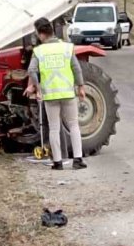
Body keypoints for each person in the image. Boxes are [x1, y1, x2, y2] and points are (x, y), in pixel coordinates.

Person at [24, 17, 88, 170]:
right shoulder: (66, 47)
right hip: (67, 93)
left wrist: (37, 88)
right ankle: (78, 160)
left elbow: (31, 70)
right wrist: (81, 87)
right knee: (73, 125)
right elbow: (76, 68)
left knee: (54, 128)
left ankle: (57, 162)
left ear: (41, 34)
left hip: (50, 96)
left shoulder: (38, 51)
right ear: (52, 32)